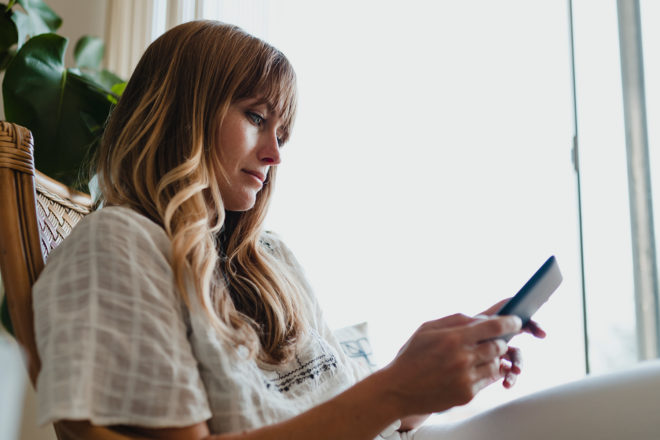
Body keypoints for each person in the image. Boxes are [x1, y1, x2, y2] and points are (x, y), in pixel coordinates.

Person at [32, 20, 660, 440]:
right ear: (179, 109)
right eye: (255, 117)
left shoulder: (267, 260)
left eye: (283, 134)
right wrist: (394, 389)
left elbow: (330, 414)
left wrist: (430, 383)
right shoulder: (120, 247)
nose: (275, 155)